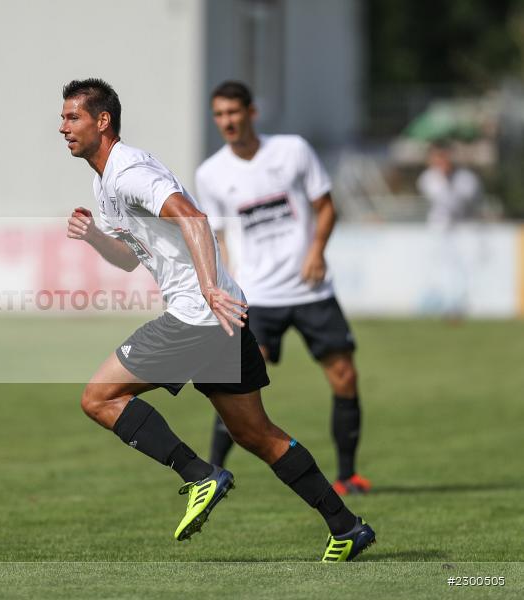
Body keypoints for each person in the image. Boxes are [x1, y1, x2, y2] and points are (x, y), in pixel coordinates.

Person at [60, 77, 374, 561]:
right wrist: (94, 238)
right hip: (223, 314)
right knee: (255, 434)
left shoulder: (129, 170)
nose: (63, 127)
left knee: (98, 397)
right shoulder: (103, 183)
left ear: (102, 121)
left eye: (72, 117)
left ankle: (198, 474)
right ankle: (346, 526)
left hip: (198, 312)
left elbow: (194, 218)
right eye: (63, 118)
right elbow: (130, 258)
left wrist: (207, 285)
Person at [194, 80, 370, 496]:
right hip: (259, 297)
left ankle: (347, 476)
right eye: (219, 114)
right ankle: (211, 472)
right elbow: (218, 238)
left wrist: (317, 251)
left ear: (252, 113)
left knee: (344, 376)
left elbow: (326, 208)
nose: (227, 121)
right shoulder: (210, 173)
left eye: (233, 112)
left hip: (311, 290)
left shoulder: (292, 150)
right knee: (237, 387)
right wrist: (224, 286)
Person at [417, 141, 482, 228]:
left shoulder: (467, 177)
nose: (442, 159)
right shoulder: (427, 177)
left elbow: (462, 203)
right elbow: (439, 200)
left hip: (465, 227)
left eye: (444, 155)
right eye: (438, 156)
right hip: (436, 228)